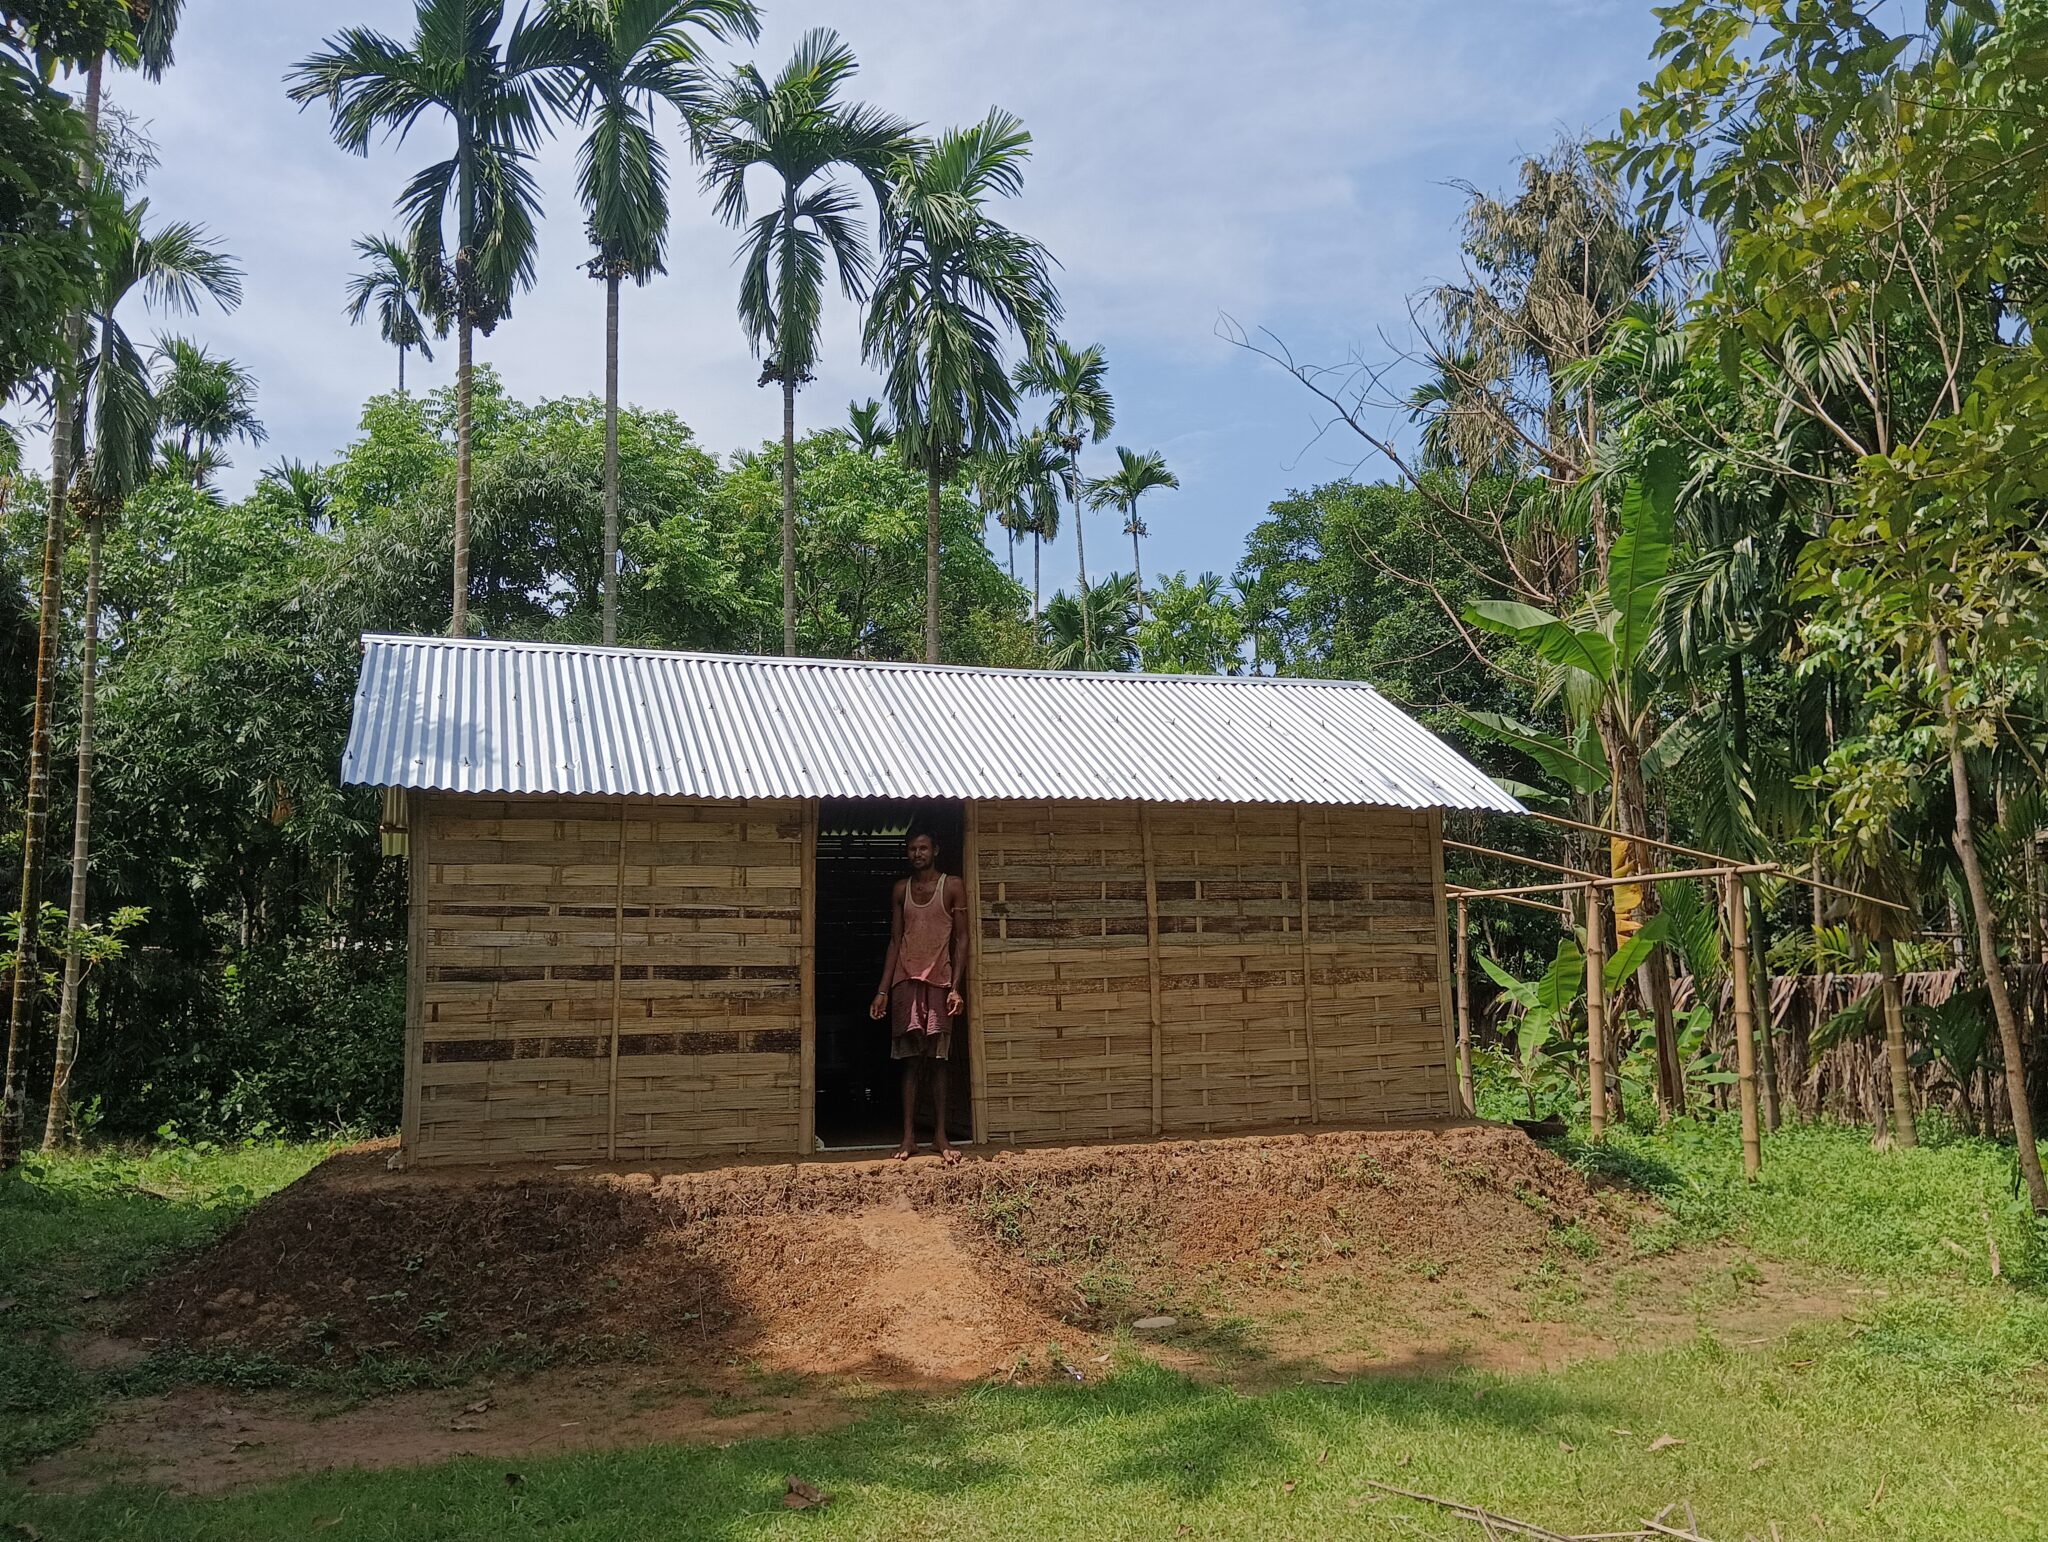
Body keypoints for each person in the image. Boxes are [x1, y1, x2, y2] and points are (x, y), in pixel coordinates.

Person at [869, 826, 969, 1163]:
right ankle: (909, 1136)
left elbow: (962, 939)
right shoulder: (901, 890)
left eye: (923, 848)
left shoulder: (952, 886)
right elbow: (895, 941)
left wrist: (956, 987)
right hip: (906, 981)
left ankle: (940, 1136)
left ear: (935, 849)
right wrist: (882, 991)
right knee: (910, 1062)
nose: (917, 854)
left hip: (939, 982)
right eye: (912, 849)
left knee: (938, 1061)